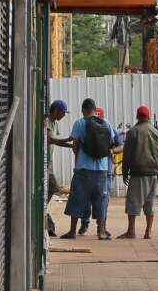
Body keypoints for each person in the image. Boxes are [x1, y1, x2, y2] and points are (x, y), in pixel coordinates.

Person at [61, 98, 114, 240]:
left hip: (83, 169)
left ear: (84, 110)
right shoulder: (106, 123)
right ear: (95, 110)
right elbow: (111, 144)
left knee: (77, 199)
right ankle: (101, 232)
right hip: (102, 170)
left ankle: (72, 231)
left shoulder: (80, 123)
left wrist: (78, 160)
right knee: (101, 200)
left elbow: (75, 145)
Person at [118, 106, 158, 239]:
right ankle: (148, 232)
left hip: (139, 173)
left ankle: (131, 231)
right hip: (154, 174)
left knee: (133, 202)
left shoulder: (134, 132)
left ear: (137, 116)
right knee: (150, 203)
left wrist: (124, 170)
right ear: (149, 116)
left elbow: (127, 153)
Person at [78, 107, 122, 237]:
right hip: (97, 170)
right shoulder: (85, 127)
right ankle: (85, 222)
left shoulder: (108, 128)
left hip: (105, 171)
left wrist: (112, 151)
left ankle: (101, 227)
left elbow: (120, 146)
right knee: (91, 199)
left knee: (103, 200)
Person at [45, 100, 73, 237]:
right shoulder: (47, 121)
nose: (63, 116)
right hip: (43, 162)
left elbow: (56, 141)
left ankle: (42, 211)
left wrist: (70, 145)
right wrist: (68, 139)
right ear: (56, 110)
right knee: (54, 188)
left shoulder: (54, 123)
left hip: (48, 162)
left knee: (52, 189)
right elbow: (49, 139)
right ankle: (42, 210)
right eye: (63, 112)